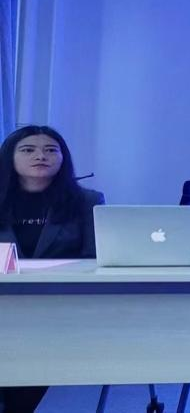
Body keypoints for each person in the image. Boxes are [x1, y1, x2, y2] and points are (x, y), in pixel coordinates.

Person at [0, 125, 104, 413]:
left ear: (63, 158)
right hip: (3, 301)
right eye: (28, 150)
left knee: (26, 375)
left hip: (56, 305)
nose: (40, 156)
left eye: (50, 150)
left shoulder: (86, 201)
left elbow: (96, 257)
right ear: (9, 157)